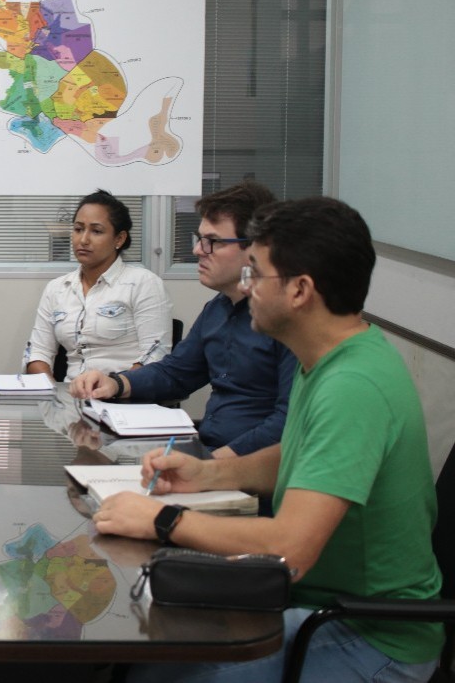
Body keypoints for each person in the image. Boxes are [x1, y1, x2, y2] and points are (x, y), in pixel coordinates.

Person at [98, 197, 443, 682]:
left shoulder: (353, 386)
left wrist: (162, 519)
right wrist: (208, 474)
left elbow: (289, 548)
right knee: (147, 663)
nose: (246, 286)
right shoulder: (324, 357)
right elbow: (299, 455)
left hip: (369, 634)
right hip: (310, 602)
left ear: (300, 290)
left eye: (256, 274)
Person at [70, 181, 295, 457]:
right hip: (209, 452)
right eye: (200, 239)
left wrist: (209, 466)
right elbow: (176, 373)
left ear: (256, 249)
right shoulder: (217, 308)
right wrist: (116, 383)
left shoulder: (288, 319)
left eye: (212, 242)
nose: (198, 250)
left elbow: (288, 424)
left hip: (249, 467)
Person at [27, 190, 172, 382]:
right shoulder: (57, 289)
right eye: (78, 229)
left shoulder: (143, 283)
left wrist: (116, 387)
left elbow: (155, 356)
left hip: (127, 394)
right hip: (71, 395)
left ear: (119, 239)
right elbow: (37, 353)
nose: (83, 240)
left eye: (96, 231)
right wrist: (53, 392)